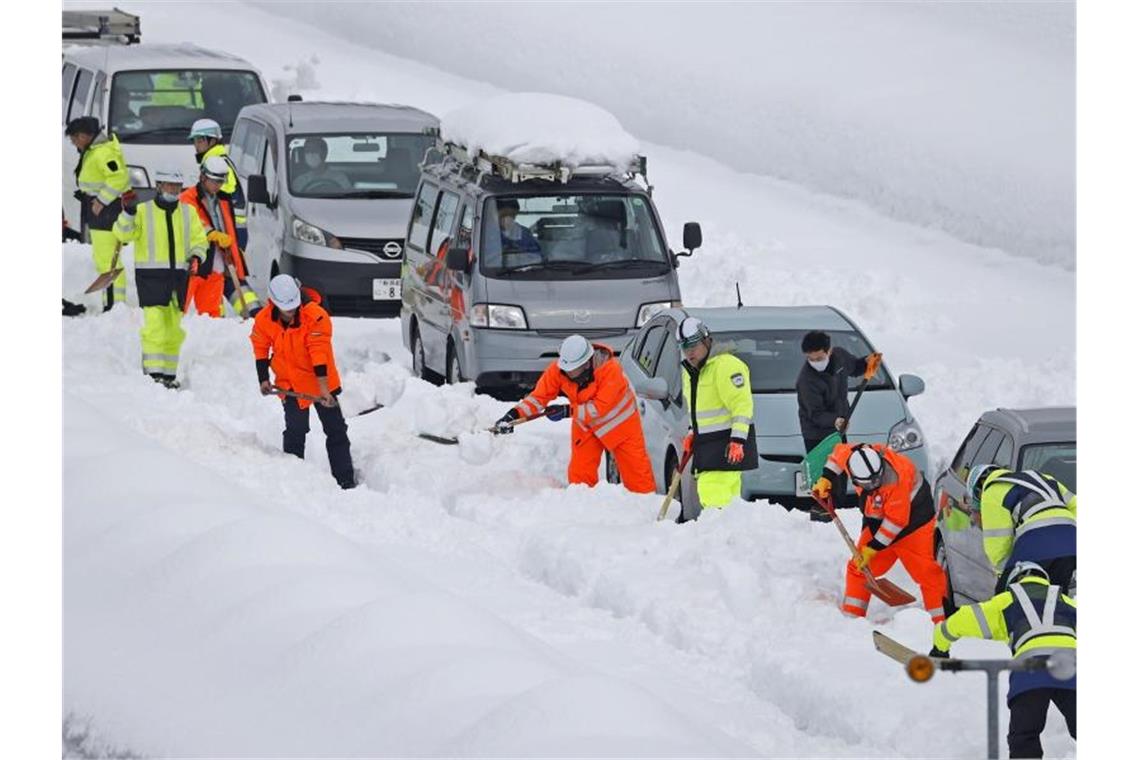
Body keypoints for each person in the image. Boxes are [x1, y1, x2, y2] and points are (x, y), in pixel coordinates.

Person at [931, 561, 1075, 759]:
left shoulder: (1006, 601)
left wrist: (939, 647)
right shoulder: (1066, 601)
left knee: (1024, 738)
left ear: (1013, 582)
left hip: (1030, 673)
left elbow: (959, 621)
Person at [495, 335, 655, 493]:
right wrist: (514, 414)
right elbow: (538, 397)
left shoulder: (611, 371)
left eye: (573, 370)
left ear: (587, 364)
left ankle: (646, 511)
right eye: (566, 369)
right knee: (580, 478)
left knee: (638, 477)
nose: (568, 374)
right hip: (586, 425)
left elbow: (599, 408)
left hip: (621, 426)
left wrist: (567, 411)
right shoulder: (559, 371)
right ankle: (582, 509)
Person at [813, 442, 947, 623]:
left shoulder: (896, 477)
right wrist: (826, 478)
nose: (876, 484)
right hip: (878, 520)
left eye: (877, 479)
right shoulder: (855, 457)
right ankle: (853, 620)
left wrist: (872, 548)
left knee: (928, 575)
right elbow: (838, 454)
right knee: (859, 567)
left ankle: (941, 624)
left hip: (915, 526)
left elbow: (896, 522)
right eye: (870, 483)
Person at [251, 274, 356, 490]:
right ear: (273, 303)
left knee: (336, 430)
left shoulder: (316, 317)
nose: (290, 311)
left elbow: (319, 354)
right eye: (285, 308)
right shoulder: (264, 319)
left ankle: (345, 480)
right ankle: (294, 478)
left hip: (322, 382)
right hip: (290, 384)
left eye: (293, 306)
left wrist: (325, 390)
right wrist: (263, 378)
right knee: (296, 430)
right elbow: (260, 346)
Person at [112, 169, 207, 387]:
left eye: (176, 186)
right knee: (155, 327)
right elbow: (123, 234)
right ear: (159, 186)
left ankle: (168, 374)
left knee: (173, 329)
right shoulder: (143, 211)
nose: (173, 189)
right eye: (168, 185)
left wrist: (196, 256)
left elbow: (199, 240)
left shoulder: (187, 212)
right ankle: (153, 375)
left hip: (178, 279)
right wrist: (128, 212)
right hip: (151, 279)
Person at [797, 330, 882, 516]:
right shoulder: (806, 380)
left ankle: (838, 507)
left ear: (830, 351)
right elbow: (815, 414)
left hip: (839, 426)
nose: (815, 363)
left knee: (840, 469)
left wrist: (868, 362)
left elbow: (857, 368)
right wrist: (835, 420)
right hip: (816, 431)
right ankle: (822, 509)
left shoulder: (840, 358)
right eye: (811, 359)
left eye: (819, 357)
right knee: (823, 471)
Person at [677, 316, 758, 509]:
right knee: (728, 505)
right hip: (707, 446)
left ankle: (718, 538)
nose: (689, 353)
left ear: (706, 340)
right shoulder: (692, 371)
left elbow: (742, 405)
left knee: (713, 499)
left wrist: (737, 441)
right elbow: (699, 409)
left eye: (693, 346)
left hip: (725, 447)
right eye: (685, 348)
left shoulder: (726, 366)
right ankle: (729, 537)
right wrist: (691, 432)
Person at [966, 464, 1077, 594]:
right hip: (1070, 541)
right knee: (1056, 598)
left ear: (977, 492)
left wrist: (1005, 574)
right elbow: (1075, 504)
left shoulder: (991, 491)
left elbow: (998, 543)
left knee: (1006, 599)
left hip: (1036, 543)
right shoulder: (1043, 478)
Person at [179, 156, 262, 317]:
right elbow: (191, 220)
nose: (217, 185)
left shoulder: (224, 199)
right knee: (180, 309)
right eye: (214, 181)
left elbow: (229, 227)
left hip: (217, 261)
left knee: (212, 313)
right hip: (193, 262)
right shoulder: (188, 197)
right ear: (203, 177)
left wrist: (233, 251)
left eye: (220, 181)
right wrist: (211, 233)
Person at [67, 116, 131, 311]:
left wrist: (101, 200)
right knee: (104, 257)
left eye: (74, 138)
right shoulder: (94, 150)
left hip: (106, 212)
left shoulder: (103, 152)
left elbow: (119, 178)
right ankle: (111, 304)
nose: (73, 142)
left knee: (108, 260)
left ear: (84, 136)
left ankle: (114, 306)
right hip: (99, 209)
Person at [188, 118, 247, 248]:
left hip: (229, 229)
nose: (196, 145)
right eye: (194, 140)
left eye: (200, 140)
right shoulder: (218, 160)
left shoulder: (216, 164)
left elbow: (217, 200)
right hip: (229, 228)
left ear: (213, 141)